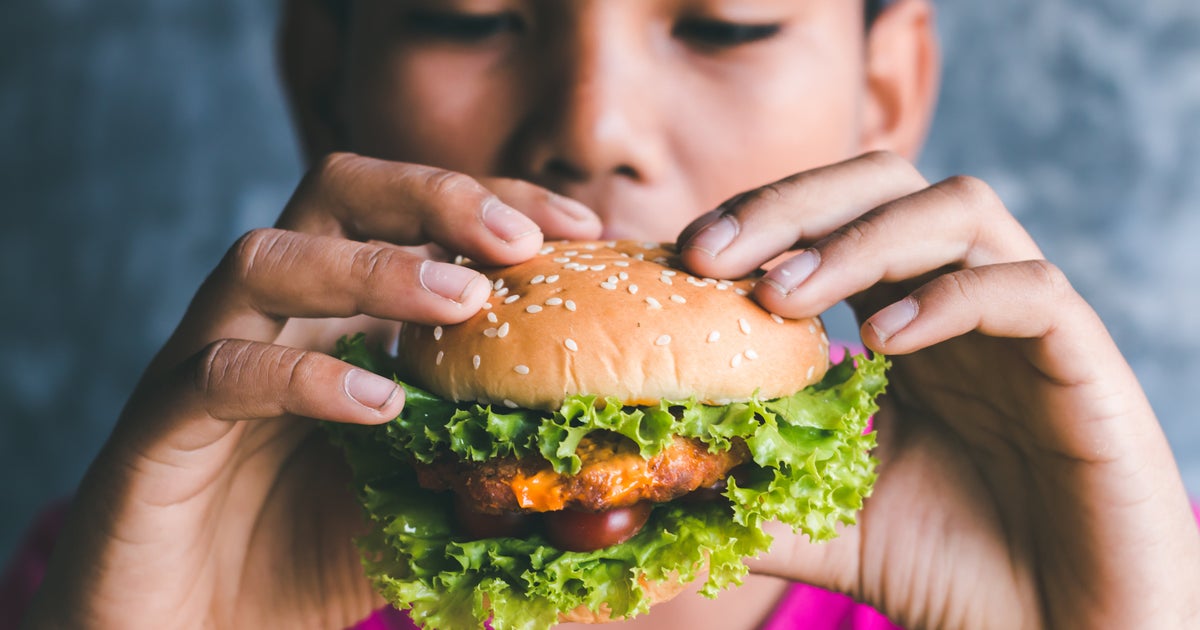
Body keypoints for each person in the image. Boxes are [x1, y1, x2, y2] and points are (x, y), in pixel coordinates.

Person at [12, 0, 1200, 628]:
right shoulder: (128, 560)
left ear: (886, 86)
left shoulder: (1113, 542)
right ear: (322, 76)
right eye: (470, 17)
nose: (592, 124)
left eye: (726, 24)